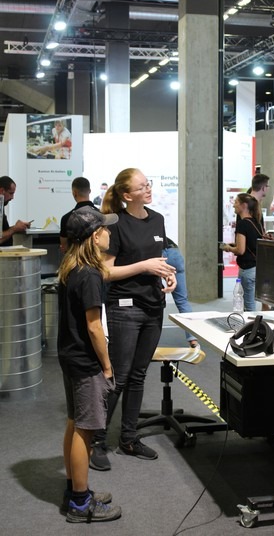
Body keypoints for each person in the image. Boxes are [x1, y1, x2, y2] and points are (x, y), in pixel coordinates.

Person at [90, 168, 177, 471]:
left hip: (153, 306)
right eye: (142, 187)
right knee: (119, 377)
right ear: (127, 195)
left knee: (138, 376)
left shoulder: (157, 219)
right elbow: (106, 272)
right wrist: (144, 266)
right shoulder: (115, 224)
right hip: (125, 308)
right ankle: (96, 440)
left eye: (148, 184)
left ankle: (128, 438)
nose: (148, 189)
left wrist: (167, 276)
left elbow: (158, 261)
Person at [58, 205, 122, 523]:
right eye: (105, 229)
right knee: (85, 431)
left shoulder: (71, 268)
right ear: (96, 237)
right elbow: (95, 327)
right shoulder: (91, 275)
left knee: (74, 423)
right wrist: (107, 366)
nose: (109, 232)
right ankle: (81, 504)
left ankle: (75, 490)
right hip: (86, 362)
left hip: (70, 357)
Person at [222, 193, 264, 312]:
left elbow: (240, 250)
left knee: (249, 308)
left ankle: (252, 324)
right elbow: (250, 244)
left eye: (236, 202)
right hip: (256, 268)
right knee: (250, 305)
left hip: (247, 269)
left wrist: (228, 248)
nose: (234, 205)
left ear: (244, 205)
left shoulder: (242, 224)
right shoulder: (256, 223)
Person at [163, 238, 198, 347]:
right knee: (182, 301)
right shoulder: (161, 234)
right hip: (175, 253)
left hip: (157, 255)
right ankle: (193, 339)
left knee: (153, 300)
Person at [59, 177, 96, 253]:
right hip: (97, 258)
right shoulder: (101, 215)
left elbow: (64, 246)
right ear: (89, 191)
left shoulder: (66, 218)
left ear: (74, 193)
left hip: (74, 258)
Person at [0, 175, 32, 246]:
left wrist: (18, 227)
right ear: (2, 190)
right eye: (10, 193)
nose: (12, 197)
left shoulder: (1, 206)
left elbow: (2, 232)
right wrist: (14, 229)